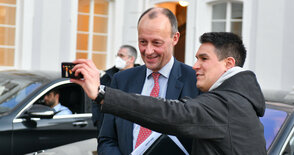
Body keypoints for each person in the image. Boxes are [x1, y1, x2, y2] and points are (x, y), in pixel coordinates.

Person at [71, 32, 267, 155]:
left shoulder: (225, 104)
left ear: (228, 63)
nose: (195, 66)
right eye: (196, 58)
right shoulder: (237, 99)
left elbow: (170, 112)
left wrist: (101, 93)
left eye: (204, 59)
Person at [89, 7, 199, 155]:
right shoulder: (121, 80)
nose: (148, 51)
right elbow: (107, 139)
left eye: (156, 43)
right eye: (142, 42)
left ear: (175, 38)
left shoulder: (195, 80)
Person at [92, 45, 138, 130]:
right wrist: (98, 121)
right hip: (107, 127)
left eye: (121, 56)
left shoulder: (140, 77)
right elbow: (96, 100)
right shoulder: (107, 77)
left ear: (131, 59)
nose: (118, 58)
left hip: (130, 127)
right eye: (117, 55)